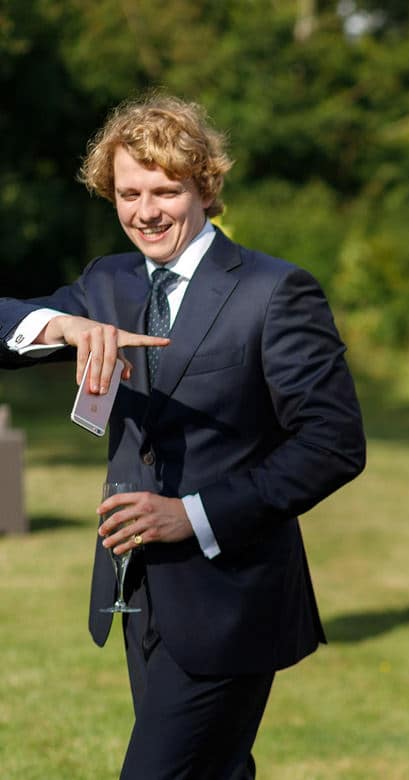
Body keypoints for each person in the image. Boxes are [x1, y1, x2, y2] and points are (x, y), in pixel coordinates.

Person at [0, 93, 365, 778]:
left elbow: (332, 444)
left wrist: (191, 515)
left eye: (166, 190)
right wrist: (64, 326)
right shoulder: (107, 281)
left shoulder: (275, 291)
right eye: (128, 192)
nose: (146, 211)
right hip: (135, 591)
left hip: (233, 597)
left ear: (206, 187)